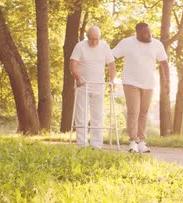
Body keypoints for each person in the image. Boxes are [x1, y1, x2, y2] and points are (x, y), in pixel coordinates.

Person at [112, 22, 170, 153]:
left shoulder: (157, 44)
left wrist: (167, 82)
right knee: (133, 112)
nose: (149, 35)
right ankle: (133, 141)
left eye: (149, 32)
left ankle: (142, 142)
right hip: (131, 82)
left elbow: (164, 63)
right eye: (145, 33)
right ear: (138, 33)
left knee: (143, 113)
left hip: (149, 84)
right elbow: (111, 56)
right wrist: (111, 77)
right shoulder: (127, 43)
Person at [70, 26, 115, 149]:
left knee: (98, 115)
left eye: (97, 39)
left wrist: (111, 81)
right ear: (87, 36)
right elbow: (73, 63)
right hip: (83, 85)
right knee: (81, 115)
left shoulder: (104, 46)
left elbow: (111, 64)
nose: (94, 42)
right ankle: (81, 144)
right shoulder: (80, 46)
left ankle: (96, 145)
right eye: (92, 39)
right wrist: (77, 77)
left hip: (99, 86)